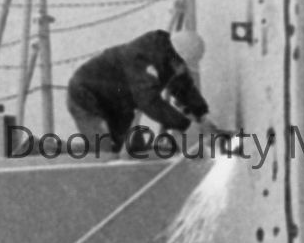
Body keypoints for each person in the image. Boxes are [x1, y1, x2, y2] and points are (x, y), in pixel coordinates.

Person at [65, 27, 214, 156]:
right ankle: (71, 156)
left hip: (118, 105)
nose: (182, 69)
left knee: (135, 151)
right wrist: (185, 125)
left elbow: (183, 86)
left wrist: (202, 114)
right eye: (182, 65)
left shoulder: (169, 60)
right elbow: (149, 102)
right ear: (175, 56)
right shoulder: (142, 58)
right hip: (86, 96)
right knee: (105, 152)